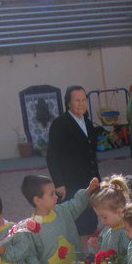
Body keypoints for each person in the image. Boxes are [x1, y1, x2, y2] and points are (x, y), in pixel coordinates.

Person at [45, 85, 101, 238]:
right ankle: (80, 258)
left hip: (89, 182)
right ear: (68, 103)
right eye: (77, 100)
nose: (81, 103)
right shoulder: (60, 124)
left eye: (84, 100)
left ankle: (90, 257)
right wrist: (59, 184)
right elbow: (52, 156)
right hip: (71, 184)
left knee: (91, 221)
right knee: (78, 224)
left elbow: (92, 155)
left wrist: (98, 180)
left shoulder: (88, 123)